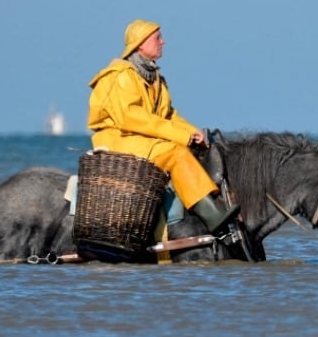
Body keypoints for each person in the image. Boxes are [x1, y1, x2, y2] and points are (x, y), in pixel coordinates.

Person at [87, 19, 239, 235]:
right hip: (119, 141)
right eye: (157, 38)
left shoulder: (155, 78)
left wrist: (192, 132)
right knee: (175, 153)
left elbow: (168, 115)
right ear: (140, 44)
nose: (163, 42)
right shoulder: (120, 76)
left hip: (140, 140)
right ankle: (212, 215)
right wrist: (180, 136)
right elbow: (131, 118)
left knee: (192, 149)